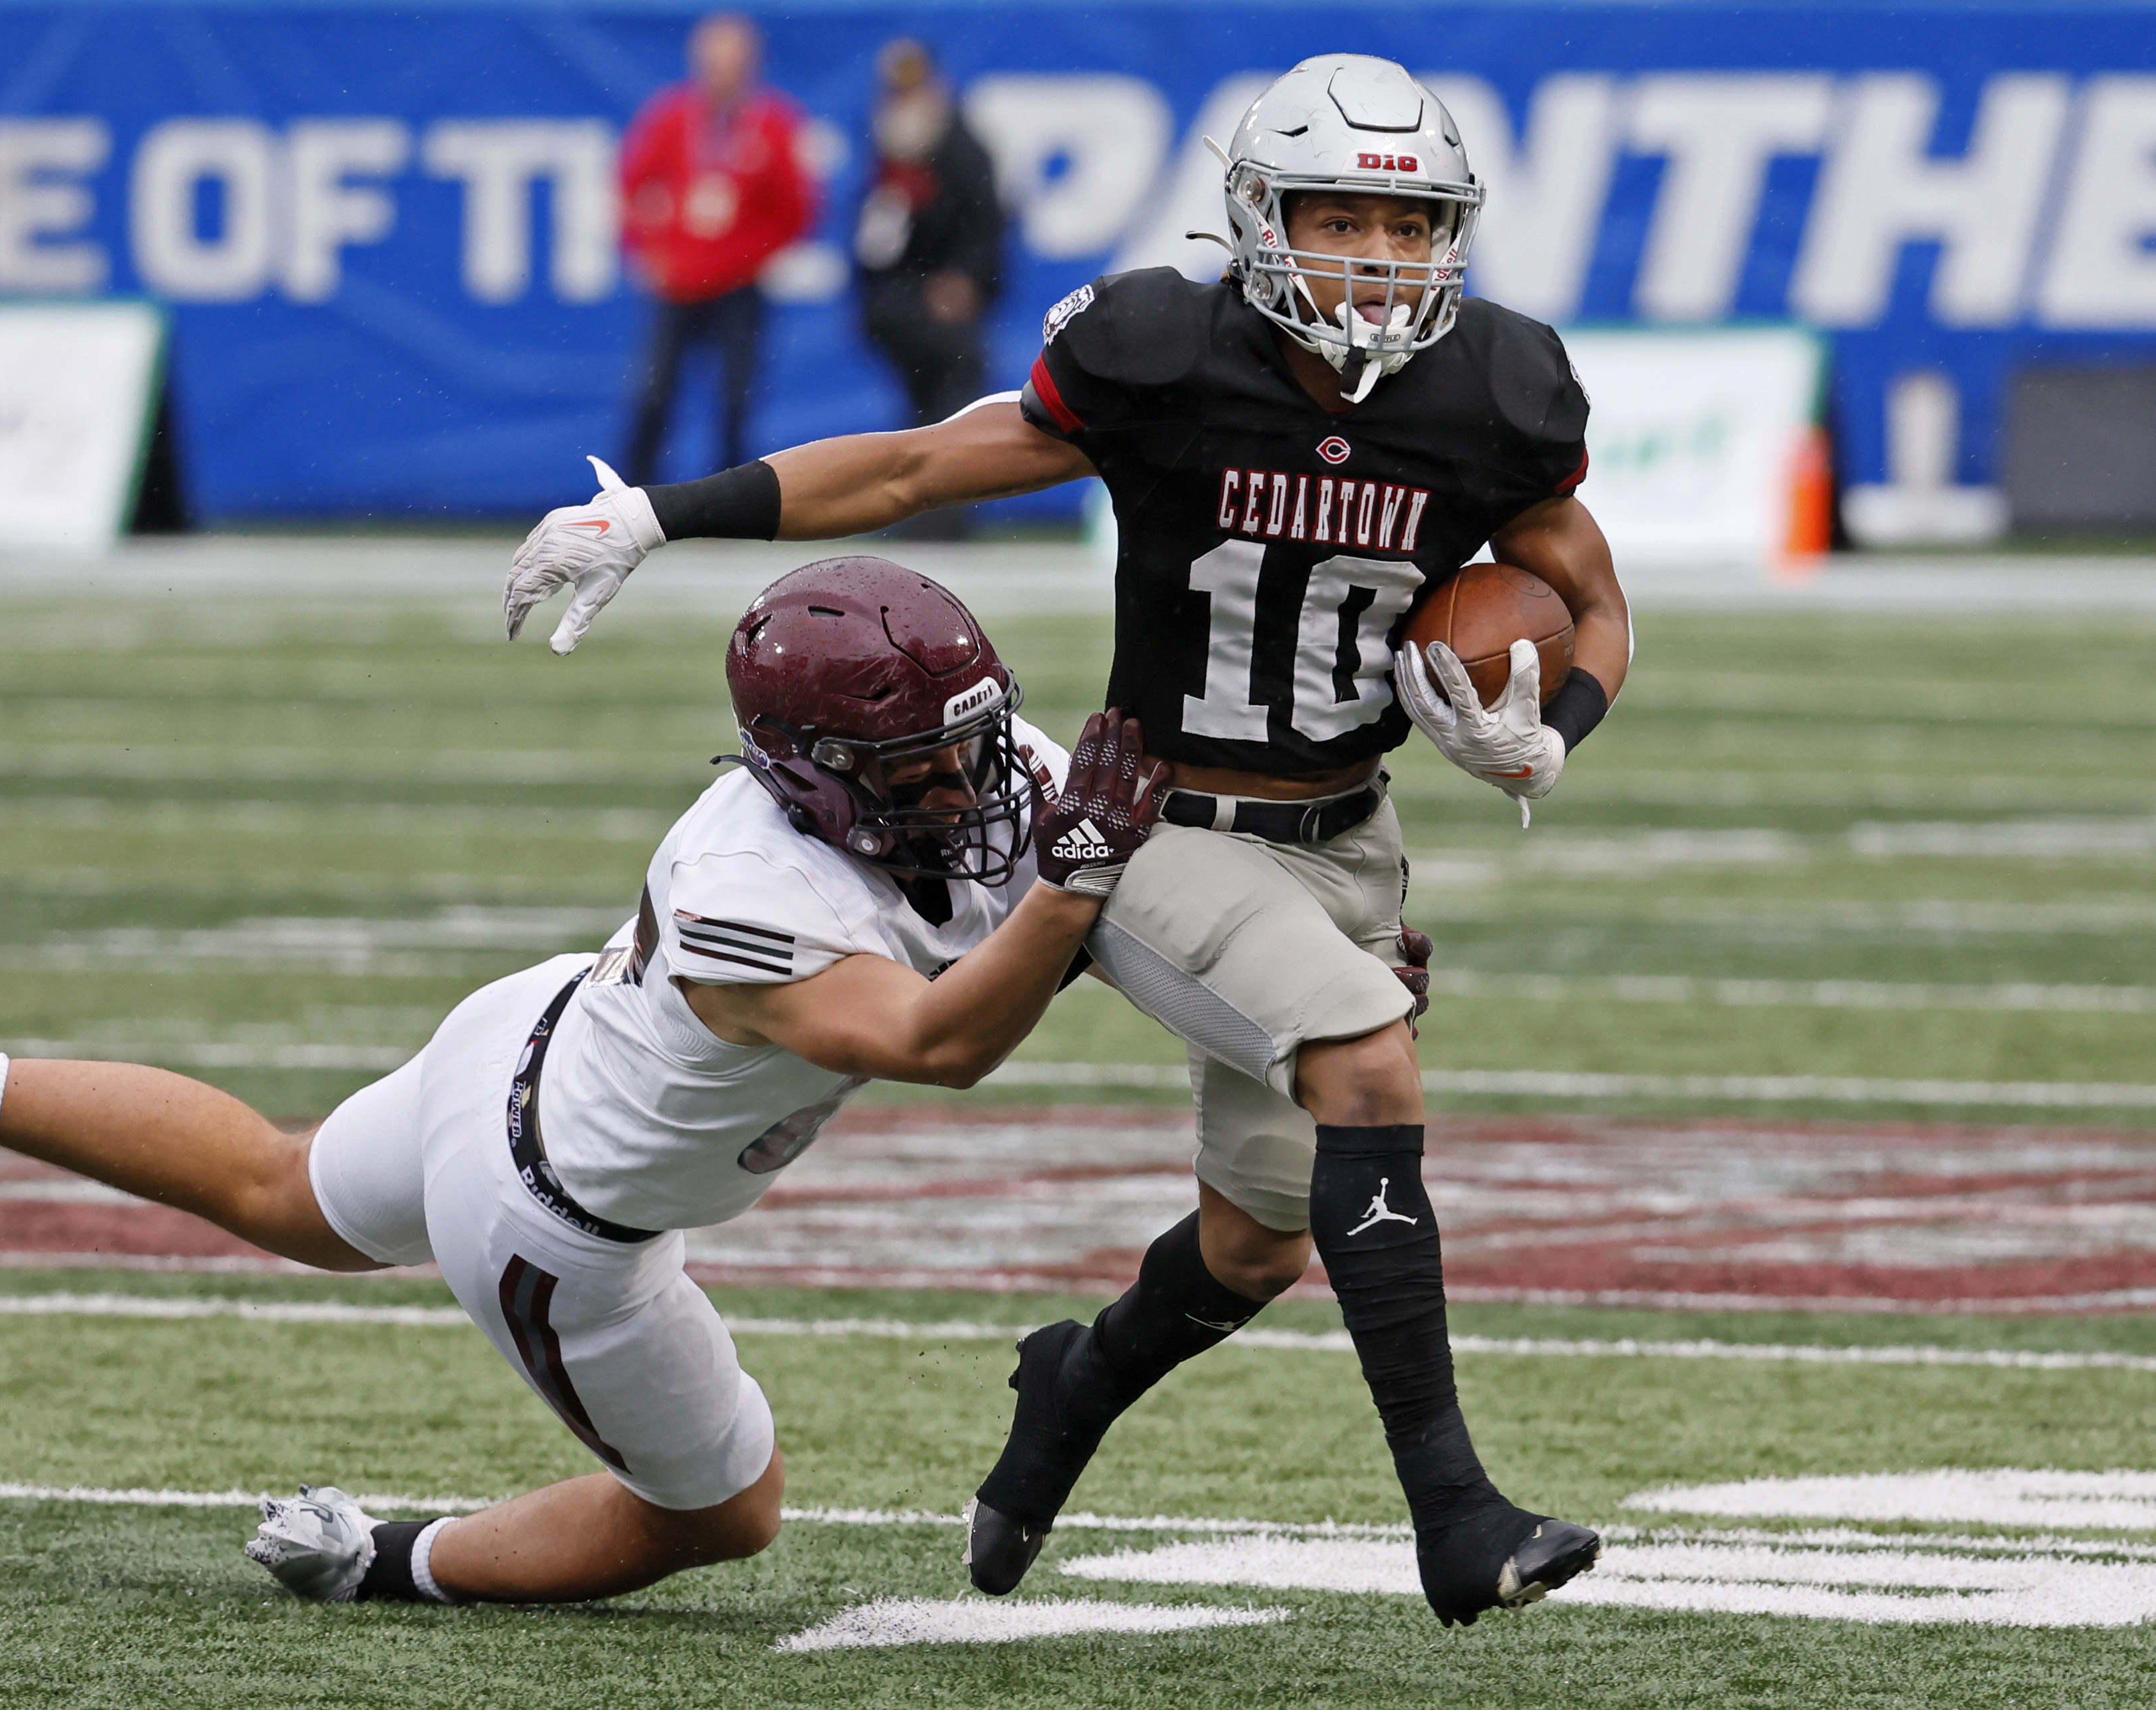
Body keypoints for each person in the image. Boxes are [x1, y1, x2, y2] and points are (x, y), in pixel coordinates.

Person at [503, 53, 1629, 1627]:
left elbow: (1588, 593)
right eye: (1339, 218)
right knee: (1370, 1057)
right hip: (1154, 821)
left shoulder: (1494, 385)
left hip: (1347, 834)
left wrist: (1550, 730)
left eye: (1409, 225)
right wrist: (664, 515)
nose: (1378, 261)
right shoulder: (1162, 353)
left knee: (1257, 1241)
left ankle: (1072, 1385)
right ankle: (1458, 1515)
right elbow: (911, 463)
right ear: (1258, 220)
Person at [0, 558, 1173, 1609]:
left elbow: (1113, 874)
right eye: (916, 769)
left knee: (273, 1189)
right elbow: (944, 1044)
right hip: (557, 1224)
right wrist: (1082, 880)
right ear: (807, 772)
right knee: (726, 1516)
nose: (969, 790)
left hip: (530, 1037)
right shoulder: (745, 893)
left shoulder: (971, 764)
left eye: (971, 747)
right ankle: (385, 1563)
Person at [618, 12, 818, 487]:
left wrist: (749, 257)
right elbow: (631, 186)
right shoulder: (671, 118)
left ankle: (727, 504)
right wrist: (649, 250)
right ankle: (631, 495)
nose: (722, 74)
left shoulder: (773, 124)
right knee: (654, 392)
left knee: (735, 397)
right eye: (715, 62)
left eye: (733, 63)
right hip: (679, 283)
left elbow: (796, 207)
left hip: (738, 284)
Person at [852, 39, 1003, 539]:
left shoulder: (959, 149)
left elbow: (985, 227)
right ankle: (926, 514)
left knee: (949, 408)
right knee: (928, 408)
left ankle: (942, 516)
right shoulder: (892, 150)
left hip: (940, 304)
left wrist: (964, 279)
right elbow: (874, 238)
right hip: (902, 301)